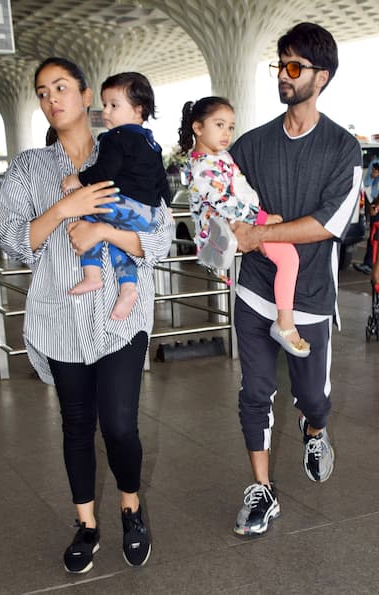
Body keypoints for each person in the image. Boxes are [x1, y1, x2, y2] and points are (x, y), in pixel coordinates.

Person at [0, 57, 175, 573]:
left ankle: (131, 507)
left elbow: (159, 237)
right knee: (76, 425)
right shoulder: (30, 167)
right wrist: (61, 211)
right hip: (61, 315)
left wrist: (104, 232)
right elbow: (13, 242)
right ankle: (87, 524)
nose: (52, 99)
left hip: (121, 314)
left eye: (61, 87)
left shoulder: (127, 142)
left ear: (85, 93)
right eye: (42, 92)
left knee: (119, 424)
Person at [229, 22, 362, 536]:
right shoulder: (252, 145)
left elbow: (328, 225)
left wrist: (261, 235)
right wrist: (223, 236)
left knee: (314, 397)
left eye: (294, 67)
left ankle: (315, 428)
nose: (282, 76)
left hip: (308, 297)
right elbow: (225, 199)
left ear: (321, 76)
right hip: (256, 289)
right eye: (279, 64)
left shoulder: (342, 149)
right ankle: (261, 491)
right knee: (254, 392)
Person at [178, 96, 310, 357]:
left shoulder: (219, 156)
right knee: (289, 258)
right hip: (231, 226)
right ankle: (285, 323)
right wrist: (260, 218)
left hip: (237, 224)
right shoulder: (204, 165)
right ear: (198, 127)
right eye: (219, 124)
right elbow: (223, 200)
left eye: (230, 126)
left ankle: (284, 320)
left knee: (288, 258)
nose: (226, 133)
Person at [61, 72, 171, 320]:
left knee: (87, 212)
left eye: (113, 105)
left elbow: (104, 173)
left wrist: (77, 178)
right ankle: (128, 289)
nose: (106, 112)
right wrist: (168, 207)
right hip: (149, 215)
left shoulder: (115, 138)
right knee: (119, 243)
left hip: (124, 206)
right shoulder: (151, 143)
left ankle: (92, 276)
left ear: (138, 109)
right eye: (105, 105)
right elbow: (161, 181)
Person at [353, 159, 379, 275]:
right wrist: (373, 175)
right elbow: (366, 183)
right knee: (374, 238)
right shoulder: (374, 163)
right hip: (375, 202)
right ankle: (369, 264)